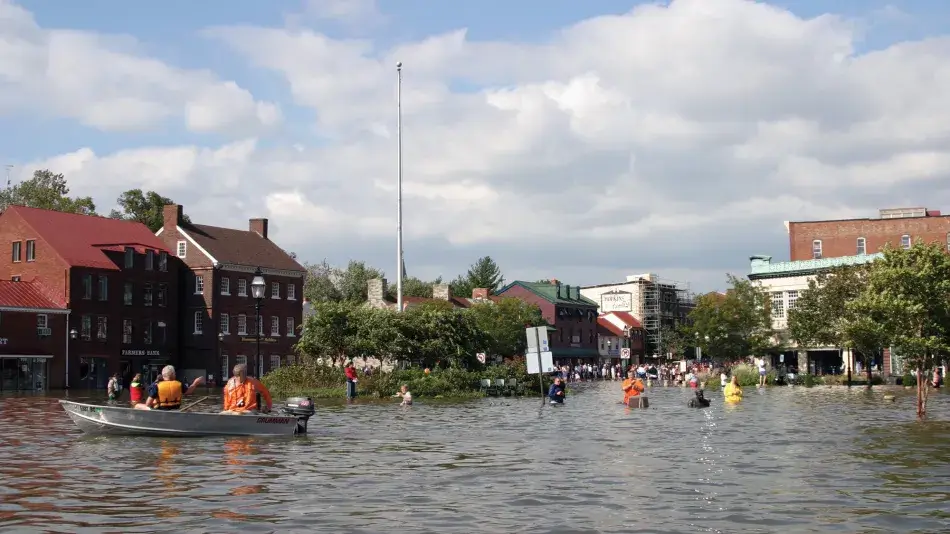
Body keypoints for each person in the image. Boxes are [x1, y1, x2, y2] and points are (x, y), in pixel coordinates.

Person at [135, 365, 204, 410]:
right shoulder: (179, 384)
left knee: (137, 405)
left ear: (163, 375)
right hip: (175, 409)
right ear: (173, 375)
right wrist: (195, 383)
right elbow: (189, 391)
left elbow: (148, 404)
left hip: (160, 410)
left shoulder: (156, 385)